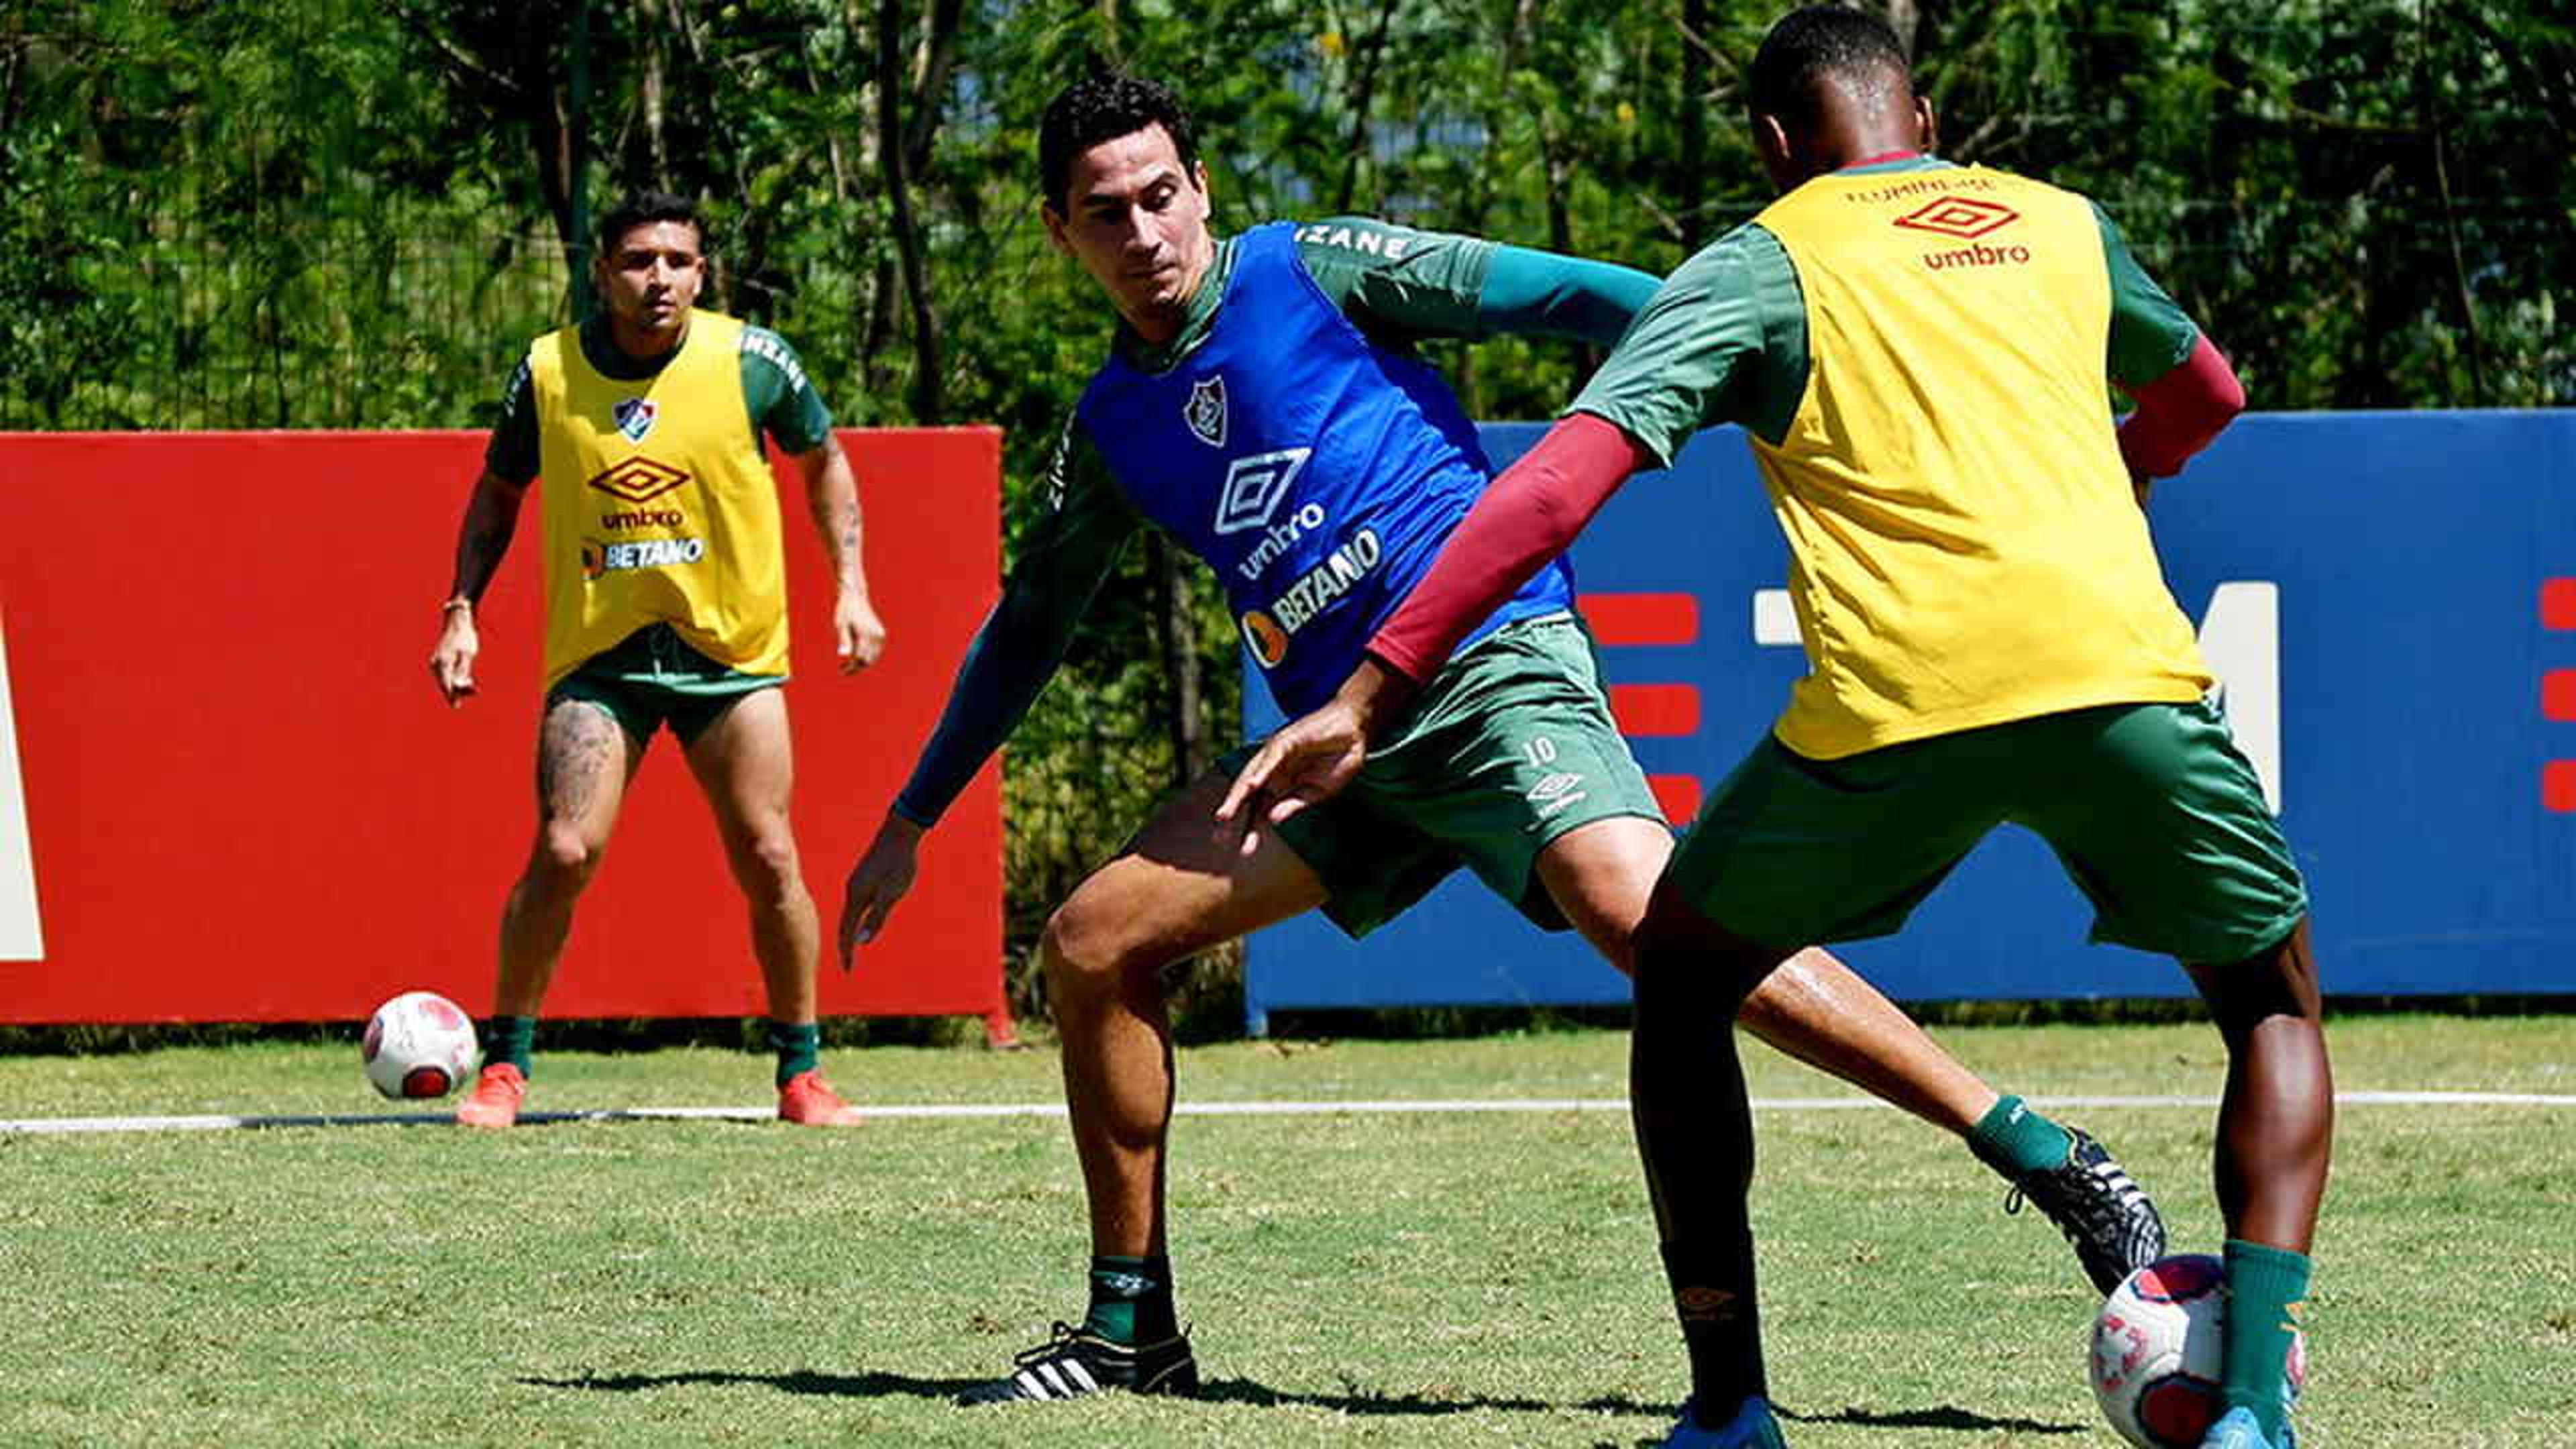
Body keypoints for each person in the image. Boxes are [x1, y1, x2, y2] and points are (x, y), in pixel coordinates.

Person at [839, 73, 2166, 1409]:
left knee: (1663, 934)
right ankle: (1133, 1331)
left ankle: (2041, 1154)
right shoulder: (1112, 430)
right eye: (1106, 213)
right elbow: (1025, 633)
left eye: (1162, 195)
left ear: (1202, 188)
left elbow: (1589, 298)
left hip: (1490, 673)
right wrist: (911, 817)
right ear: (1061, 232)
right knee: (1090, 942)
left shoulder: (1319, 267)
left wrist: (1791, 380)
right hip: (1338, 749)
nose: (1145, 233)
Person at [1229, 11, 2332, 1448]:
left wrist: (1368, 690)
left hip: (1903, 701)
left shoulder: (1761, 260)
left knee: (1684, 975)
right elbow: (2209, 393)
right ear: (1922, 119)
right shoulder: (2060, 224)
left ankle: (1731, 1406)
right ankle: (2250, 1412)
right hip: (2122, 675)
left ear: (1771, 143)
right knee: (2269, 1001)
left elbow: (1555, 489)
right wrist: (2127, 469)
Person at [429, 191, 888, 1130]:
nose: (659, 279)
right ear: (603, 273)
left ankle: (801, 1073)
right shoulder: (549, 371)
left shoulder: (753, 361)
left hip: (731, 655)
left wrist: (852, 585)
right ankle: (505, 1068)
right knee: (563, 849)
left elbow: (826, 459)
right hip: (602, 659)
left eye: (678, 260)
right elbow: (497, 492)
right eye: (639, 260)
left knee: (768, 854)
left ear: (702, 272)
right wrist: (462, 611)